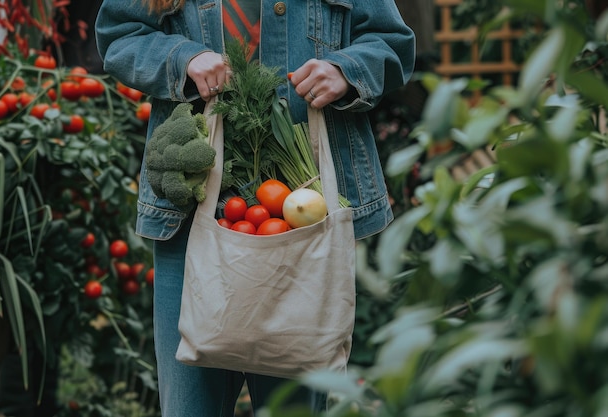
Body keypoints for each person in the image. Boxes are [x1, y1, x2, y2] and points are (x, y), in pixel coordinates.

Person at [94, 0, 415, 416]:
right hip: (191, 217)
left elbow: (391, 41)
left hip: (302, 214)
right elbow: (120, 34)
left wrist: (345, 70)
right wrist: (183, 58)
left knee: (292, 409)